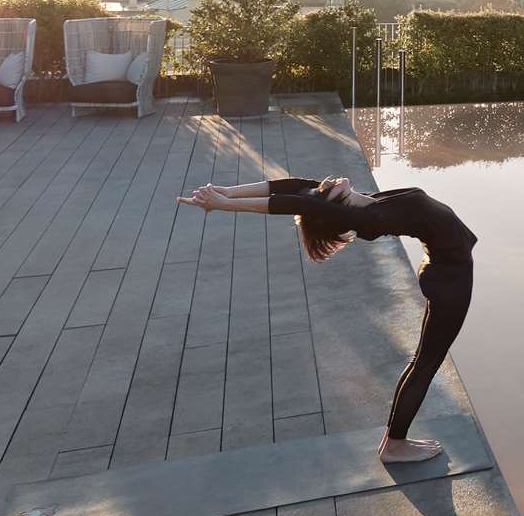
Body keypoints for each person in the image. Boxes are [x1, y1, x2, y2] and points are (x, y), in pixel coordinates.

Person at [181, 173, 477, 462]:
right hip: (451, 281)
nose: (327, 182)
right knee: (425, 365)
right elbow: (295, 204)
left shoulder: (360, 204)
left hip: (444, 271)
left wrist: (227, 191)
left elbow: (294, 186)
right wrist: (222, 204)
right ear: (333, 208)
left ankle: (394, 441)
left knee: (421, 363)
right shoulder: (369, 219)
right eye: (324, 191)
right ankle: (395, 445)